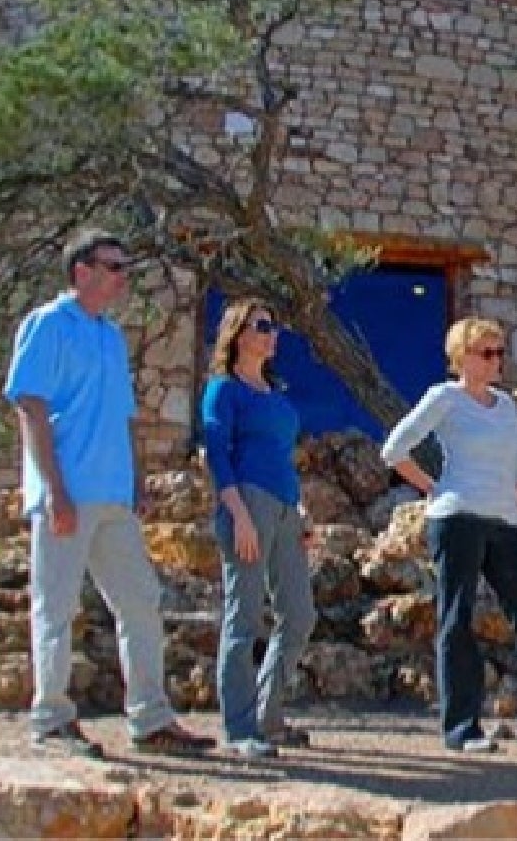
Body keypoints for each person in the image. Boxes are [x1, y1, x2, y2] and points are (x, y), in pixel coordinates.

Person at [4, 230, 215, 759]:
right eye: (114, 266)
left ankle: (151, 719)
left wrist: (135, 480)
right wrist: (53, 490)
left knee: (140, 600)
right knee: (55, 606)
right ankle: (51, 719)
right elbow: (30, 407)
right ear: (82, 271)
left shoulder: (110, 336)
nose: (123, 277)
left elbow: (123, 416)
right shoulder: (48, 324)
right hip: (66, 492)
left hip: (111, 496)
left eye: (125, 267)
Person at [380, 318, 517, 757]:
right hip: (457, 519)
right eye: (488, 353)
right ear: (463, 358)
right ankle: (462, 727)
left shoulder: (507, 407)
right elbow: (395, 448)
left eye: (500, 352)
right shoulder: (445, 398)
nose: (498, 361)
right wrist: (433, 487)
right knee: (458, 618)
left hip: (505, 522)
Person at [201, 298, 316, 758]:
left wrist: (300, 508)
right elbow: (216, 453)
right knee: (243, 615)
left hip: (285, 506)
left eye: (274, 327)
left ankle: (269, 715)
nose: (272, 335)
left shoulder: (276, 393)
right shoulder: (224, 390)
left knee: (300, 614)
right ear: (238, 334)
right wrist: (238, 513)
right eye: (263, 326)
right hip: (246, 501)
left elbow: (283, 457)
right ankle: (240, 729)